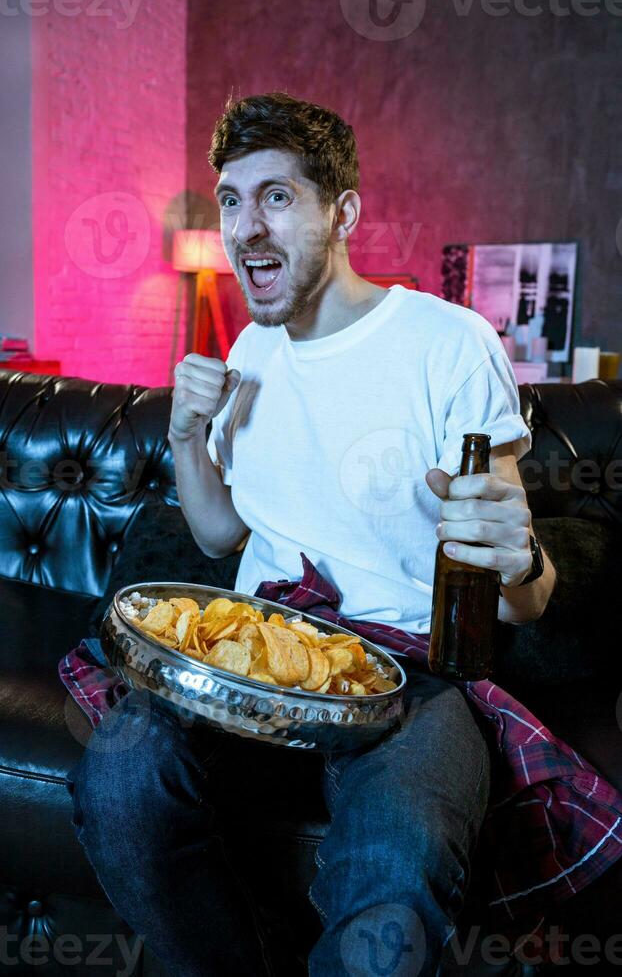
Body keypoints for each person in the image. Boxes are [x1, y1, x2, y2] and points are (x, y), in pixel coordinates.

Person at [67, 93, 556, 976]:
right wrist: (184, 435)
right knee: (118, 775)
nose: (247, 227)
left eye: (278, 198)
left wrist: (521, 560)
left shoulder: (449, 344)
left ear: (345, 212)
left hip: (412, 670)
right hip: (253, 657)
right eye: (231, 200)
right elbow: (219, 537)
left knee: (400, 861)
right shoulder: (250, 353)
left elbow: (519, 593)